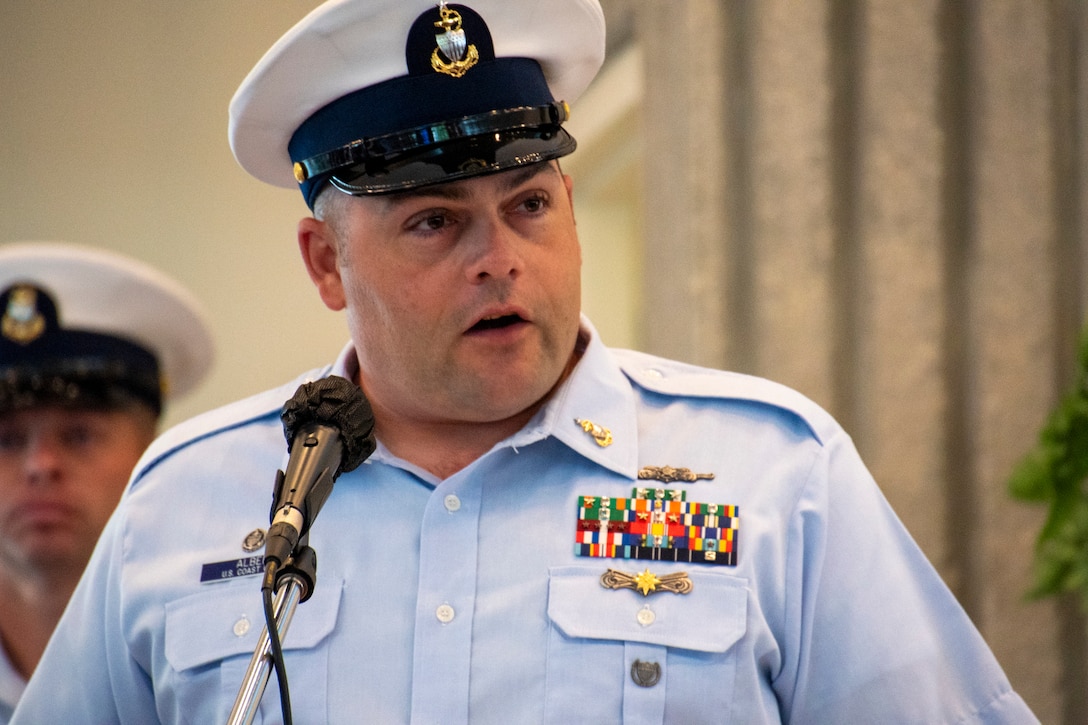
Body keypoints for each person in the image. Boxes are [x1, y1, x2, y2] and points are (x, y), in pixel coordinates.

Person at [14, 1, 1037, 722]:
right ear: (326, 263)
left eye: (529, 205)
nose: (498, 256)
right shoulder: (188, 500)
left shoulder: (770, 472)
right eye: (431, 221)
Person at [0, 241, 213, 723]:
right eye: (7, 440)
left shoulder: (219, 658)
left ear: (150, 450)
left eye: (79, 436)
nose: (41, 464)